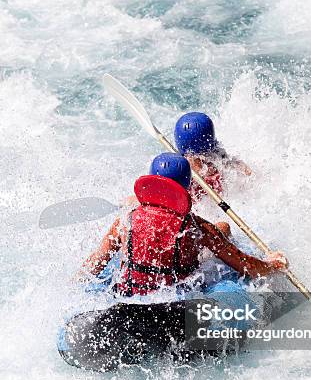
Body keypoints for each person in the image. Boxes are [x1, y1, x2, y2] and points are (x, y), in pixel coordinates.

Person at [81, 153, 287, 296]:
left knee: (221, 228)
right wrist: (273, 264)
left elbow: (94, 266)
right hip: (175, 303)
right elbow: (248, 268)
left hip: (130, 295)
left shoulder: (126, 221)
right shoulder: (197, 228)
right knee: (222, 230)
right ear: (186, 187)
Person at [174, 111, 251, 236]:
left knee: (223, 228)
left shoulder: (178, 170)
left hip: (199, 223)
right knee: (223, 228)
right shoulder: (224, 161)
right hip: (208, 220)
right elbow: (249, 175)